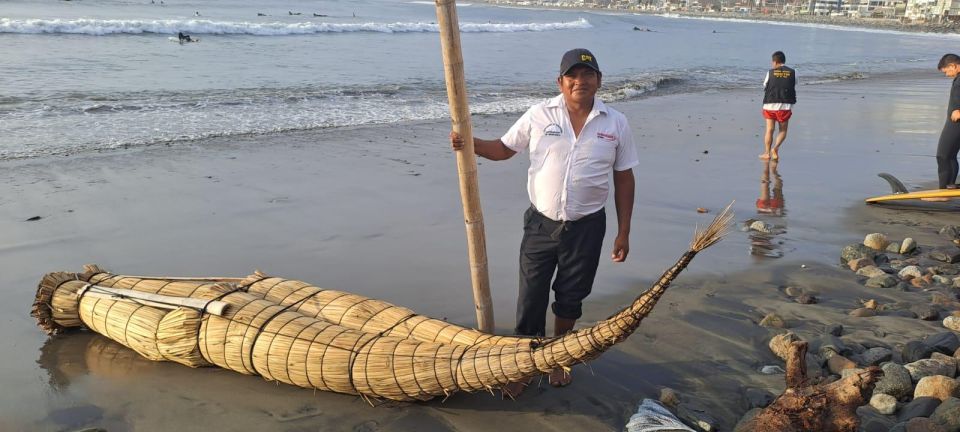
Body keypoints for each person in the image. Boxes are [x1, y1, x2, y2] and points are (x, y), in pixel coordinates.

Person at [450, 48, 638, 397]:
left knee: (570, 297)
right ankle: (523, 366)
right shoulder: (539, 115)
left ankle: (557, 359)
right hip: (540, 224)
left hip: (587, 227)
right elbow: (504, 149)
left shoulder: (616, 123)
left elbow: (624, 178)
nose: (580, 81)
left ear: (599, 80)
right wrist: (469, 144)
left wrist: (623, 231)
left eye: (587, 74)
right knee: (531, 296)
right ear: (560, 81)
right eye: (573, 75)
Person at [760, 51, 796, 161]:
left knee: (769, 130)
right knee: (783, 130)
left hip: (770, 104)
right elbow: (794, 83)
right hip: (785, 105)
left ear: (775, 62)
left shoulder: (770, 72)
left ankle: (766, 153)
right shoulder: (793, 72)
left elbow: (765, 85)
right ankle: (775, 148)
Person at [936, 53, 960, 190]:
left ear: (953, 65)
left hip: (956, 124)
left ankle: (943, 192)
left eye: (946, 71)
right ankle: (949, 189)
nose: (947, 75)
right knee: (949, 156)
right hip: (954, 123)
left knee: (943, 155)